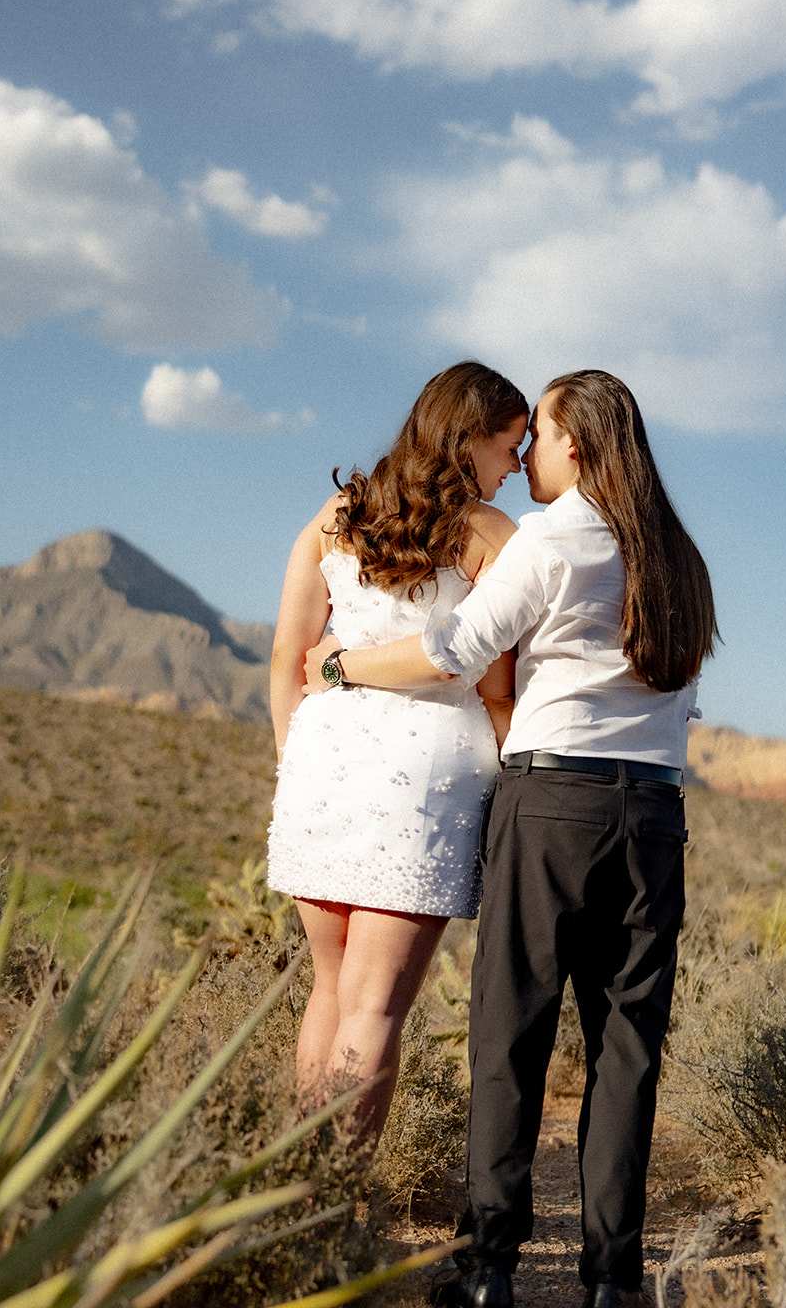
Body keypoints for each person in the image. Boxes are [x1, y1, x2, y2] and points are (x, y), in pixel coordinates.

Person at [307, 370, 719, 1308]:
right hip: (653, 814)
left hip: (550, 808)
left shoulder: (556, 539)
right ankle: (611, 1281)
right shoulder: (680, 559)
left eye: (540, 434)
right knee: (626, 1049)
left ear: (578, 444)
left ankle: (488, 1264)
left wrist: (339, 665)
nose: (527, 451)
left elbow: (453, 647)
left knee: (510, 1033)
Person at [267, 361, 528, 1140]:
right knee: (374, 1003)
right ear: (467, 439)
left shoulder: (335, 515)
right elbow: (494, 689)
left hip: (323, 756)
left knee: (329, 989)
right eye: (508, 448)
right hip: (422, 772)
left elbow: (288, 656)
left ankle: (296, 1188)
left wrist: (293, 763)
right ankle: (337, 1205)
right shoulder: (490, 536)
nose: (512, 469)